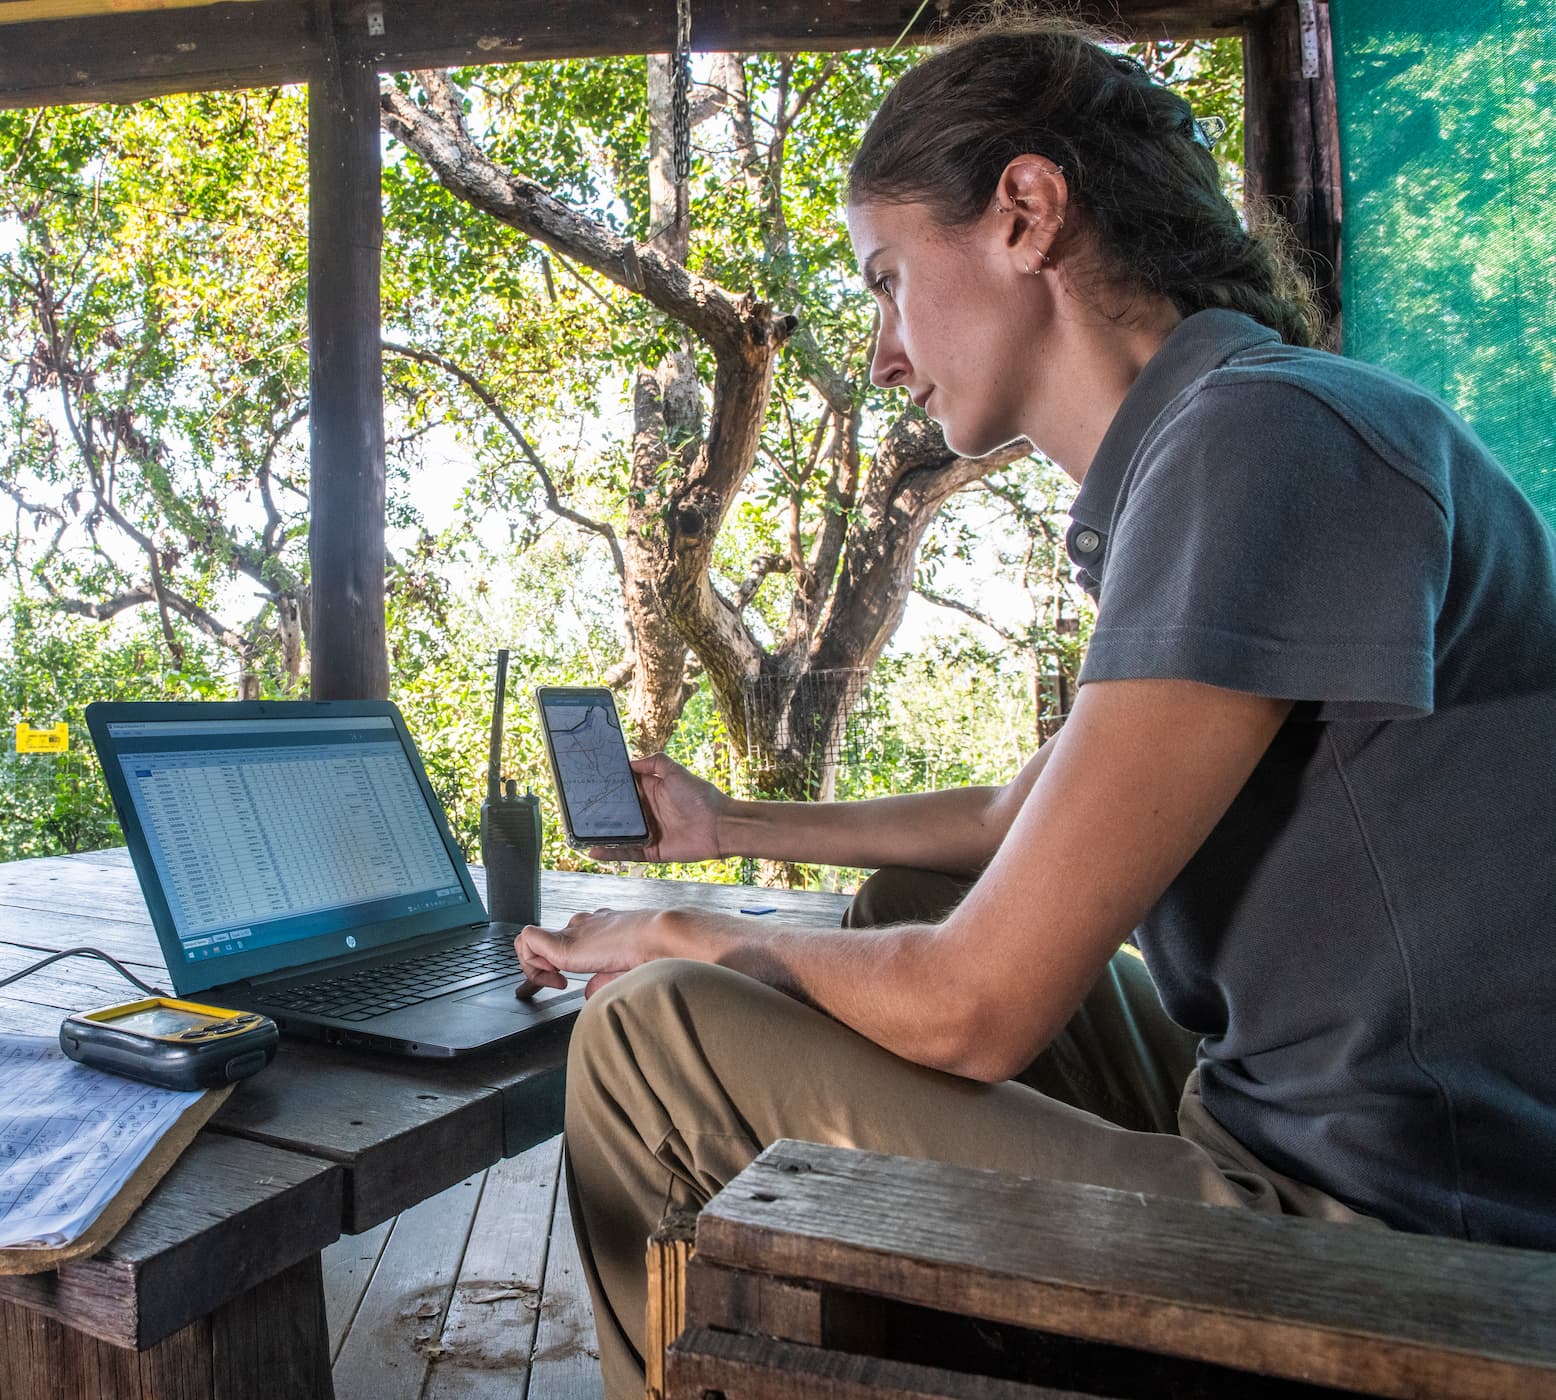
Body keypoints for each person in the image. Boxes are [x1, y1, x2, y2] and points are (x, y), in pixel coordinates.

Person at [511, 15, 1556, 1397]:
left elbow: (979, 1010)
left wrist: (690, 935)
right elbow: (1028, 815)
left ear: (1025, 210)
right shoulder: (1233, 432)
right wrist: (729, 825)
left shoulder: (1258, 446)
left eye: (888, 282)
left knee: (655, 1043)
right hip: (1326, 1128)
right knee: (896, 917)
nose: (884, 352)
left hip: (1409, 1244)